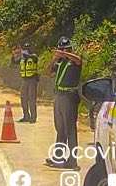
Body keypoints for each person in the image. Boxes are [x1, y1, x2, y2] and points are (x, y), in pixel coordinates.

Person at [46, 36, 82, 170]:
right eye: (61, 49)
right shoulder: (60, 63)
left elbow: (78, 60)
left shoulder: (74, 63)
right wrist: (54, 58)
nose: (63, 52)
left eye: (66, 49)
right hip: (59, 96)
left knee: (70, 129)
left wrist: (65, 54)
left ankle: (72, 161)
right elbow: (48, 72)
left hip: (69, 97)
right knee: (60, 129)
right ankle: (58, 157)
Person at [12, 43, 39, 123]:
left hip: (32, 79)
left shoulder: (34, 56)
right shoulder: (22, 58)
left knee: (32, 99)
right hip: (24, 80)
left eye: (27, 48)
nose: (26, 50)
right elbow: (14, 62)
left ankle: (33, 117)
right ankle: (26, 116)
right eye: (25, 48)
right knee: (23, 98)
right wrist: (14, 54)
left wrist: (22, 53)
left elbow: (31, 57)